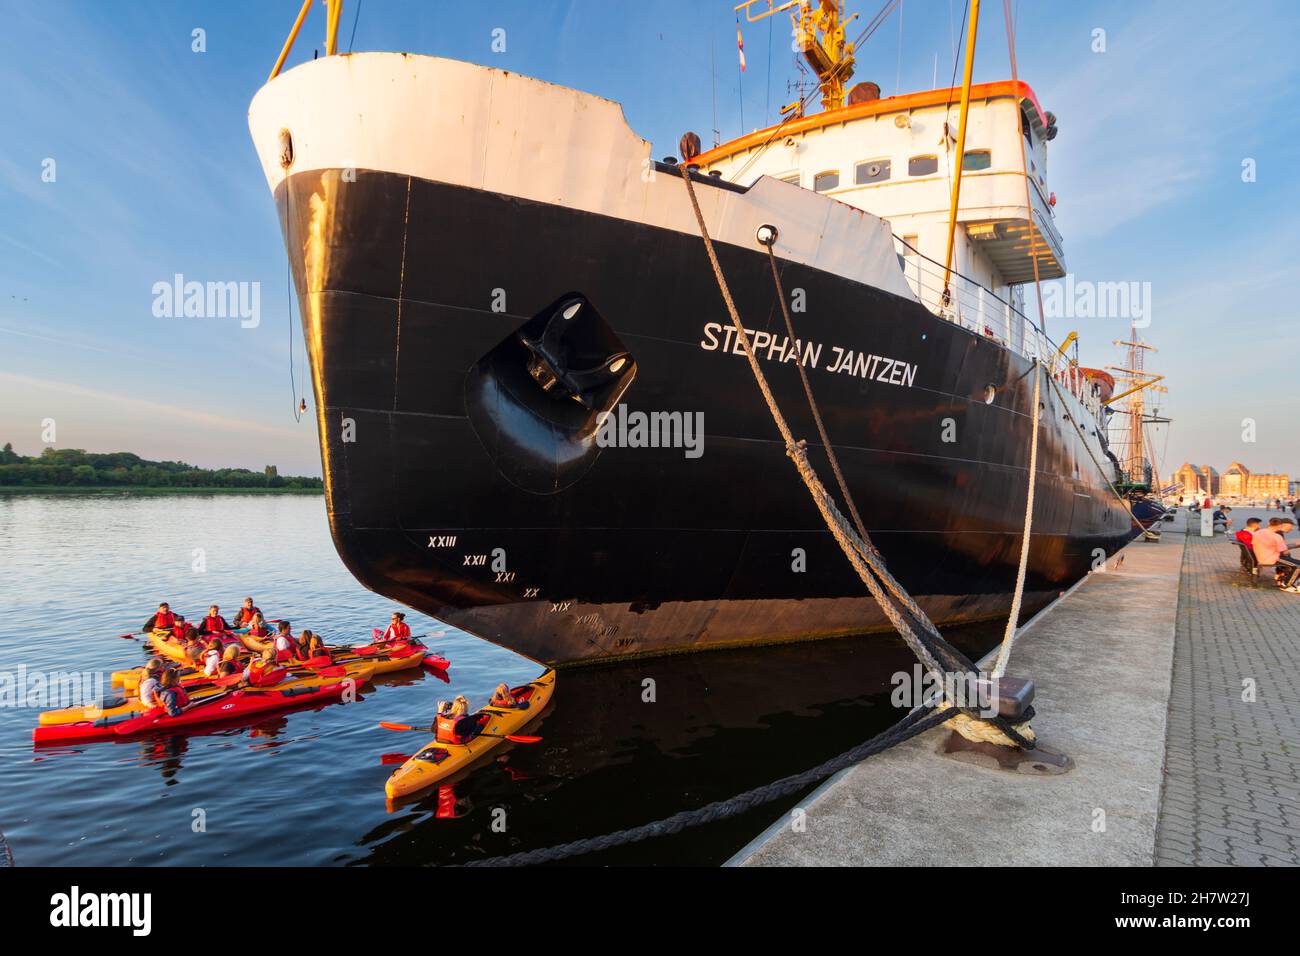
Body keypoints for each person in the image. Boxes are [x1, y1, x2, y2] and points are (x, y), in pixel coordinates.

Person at [1252, 518, 1300, 589]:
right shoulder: (1277, 536)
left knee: (1291, 561)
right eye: (1290, 527)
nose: (1291, 529)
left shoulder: (1259, 532)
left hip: (1260, 557)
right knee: (1298, 565)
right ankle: (1286, 585)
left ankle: (1283, 580)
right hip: (1271, 559)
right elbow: (1285, 552)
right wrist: (1295, 545)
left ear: (1269, 523)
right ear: (1280, 526)